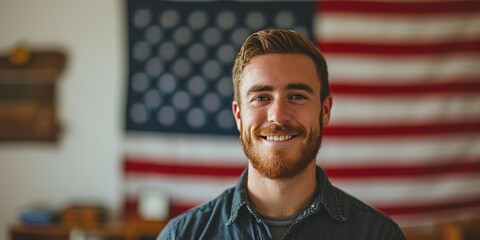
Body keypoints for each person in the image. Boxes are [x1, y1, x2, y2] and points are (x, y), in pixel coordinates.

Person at [157, 29, 406, 240]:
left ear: (325, 110)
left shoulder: (378, 234)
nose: (278, 116)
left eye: (297, 96)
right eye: (261, 97)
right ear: (238, 115)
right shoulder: (182, 235)